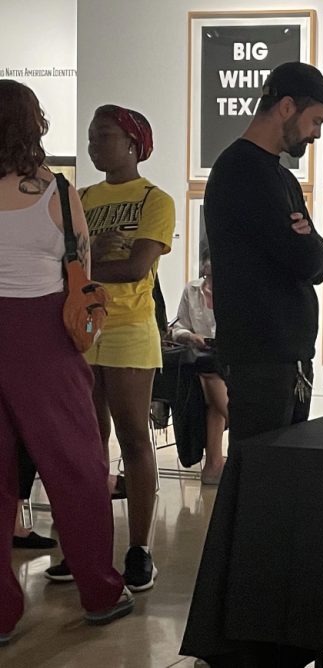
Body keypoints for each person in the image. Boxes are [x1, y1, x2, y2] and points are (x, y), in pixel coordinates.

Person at [0, 80, 134, 645]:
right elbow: (80, 256)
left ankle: (2, 614)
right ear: (34, 125)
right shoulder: (57, 188)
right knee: (76, 469)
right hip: (44, 339)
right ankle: (100, 591)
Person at [45, 105, 175, 590]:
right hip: (81, 328)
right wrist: (99, 250)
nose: (95, 144)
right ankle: (85, 547)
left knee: (134, 438)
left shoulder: (154, 199)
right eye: (91, 135)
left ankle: (139, 548)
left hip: (128, 328)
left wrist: (87, 256)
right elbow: (60, 261)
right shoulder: (79, 196)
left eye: (104, 135)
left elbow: (136, 267)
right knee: (86, 443)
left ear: (134, 143)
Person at [205, 62, 323, 442]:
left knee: (280, 476)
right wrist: (307, 245)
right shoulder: (242, 170)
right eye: (316, 121)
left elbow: (319, 261)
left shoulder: (280, 176)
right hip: (260, 357)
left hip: (284, 357)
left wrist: (310, 245)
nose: (317, 134)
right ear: (287, 107)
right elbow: (304, 257)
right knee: (261, 478)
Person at [170, 250, 227, 484]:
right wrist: (193, 337)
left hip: (226, 360)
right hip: (198, 359)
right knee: (208, 373)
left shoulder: (235, 290)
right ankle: (216, 463)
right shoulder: (192, 290)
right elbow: (177, 327)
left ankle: (213, 465)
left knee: (213, 385)